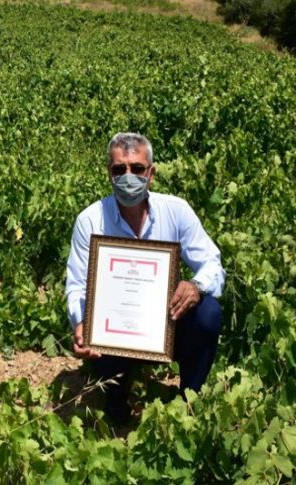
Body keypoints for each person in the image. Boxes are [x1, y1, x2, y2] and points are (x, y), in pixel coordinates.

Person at [65, 132, 225, 425]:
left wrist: (195, 286)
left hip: (164, 327)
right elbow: (76, 285)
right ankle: (116, 403)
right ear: (109, 174)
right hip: (114, 336)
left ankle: (190, 399)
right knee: (100, 342)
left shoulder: (176, 211)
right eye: (119, 169)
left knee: (209, 312)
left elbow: (212, 264)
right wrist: (81, 322)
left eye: (137, 168)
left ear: (151, 173)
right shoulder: (90, 220)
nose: (128, 176)